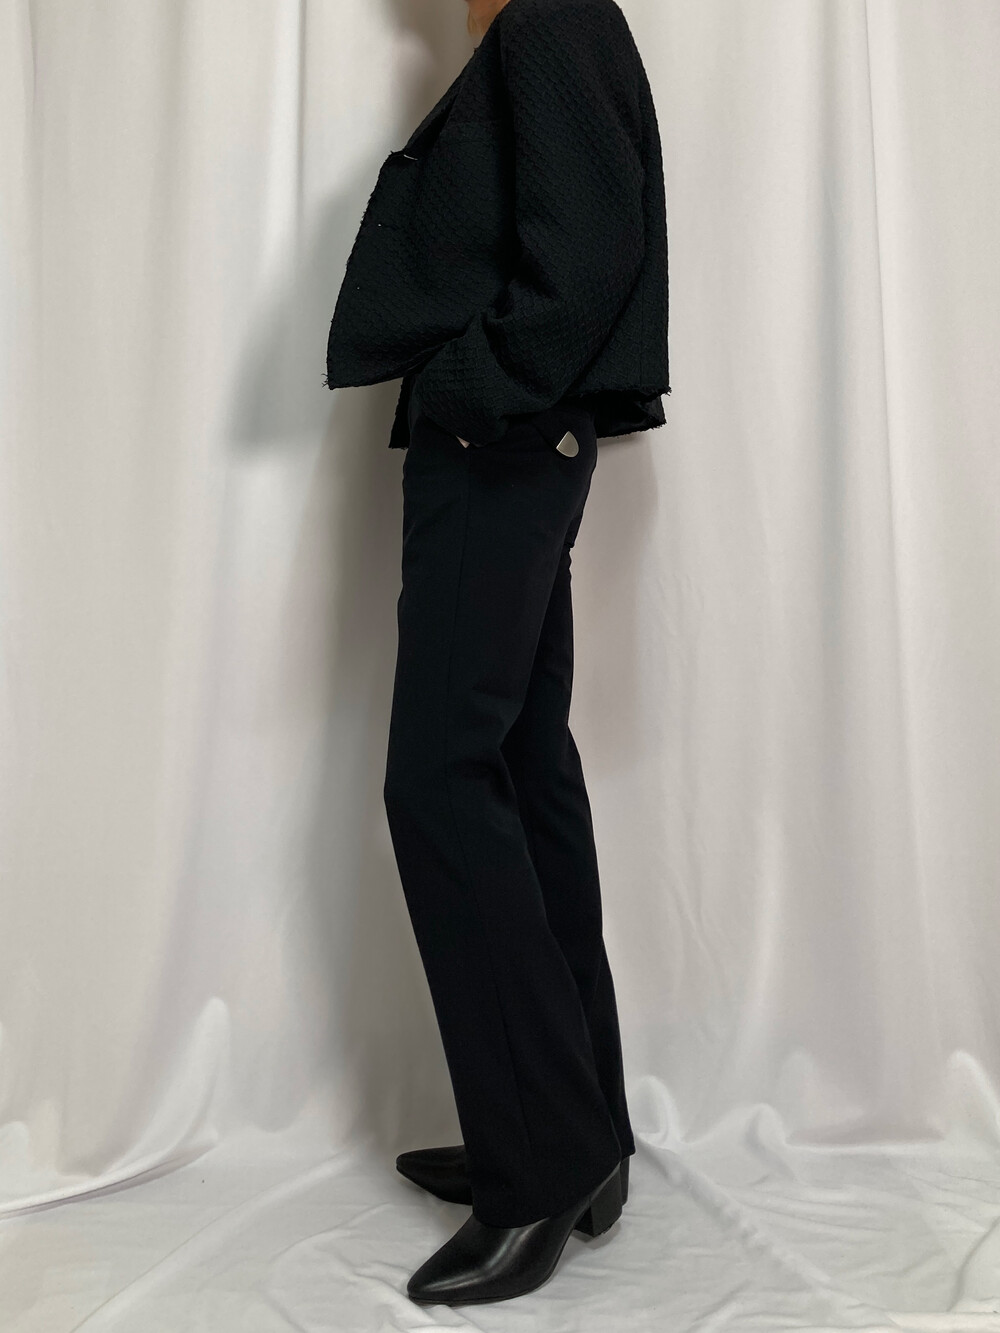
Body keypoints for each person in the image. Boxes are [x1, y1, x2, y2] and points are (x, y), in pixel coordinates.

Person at [324, 0, 670, 1305]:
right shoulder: (541, 25)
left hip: (503, 450)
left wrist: (471, 394)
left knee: (439, 781)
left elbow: (590, 252)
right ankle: (580, 1136)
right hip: (523, 445)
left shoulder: (548, 19)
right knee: (522, 770)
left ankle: (542, 1164)